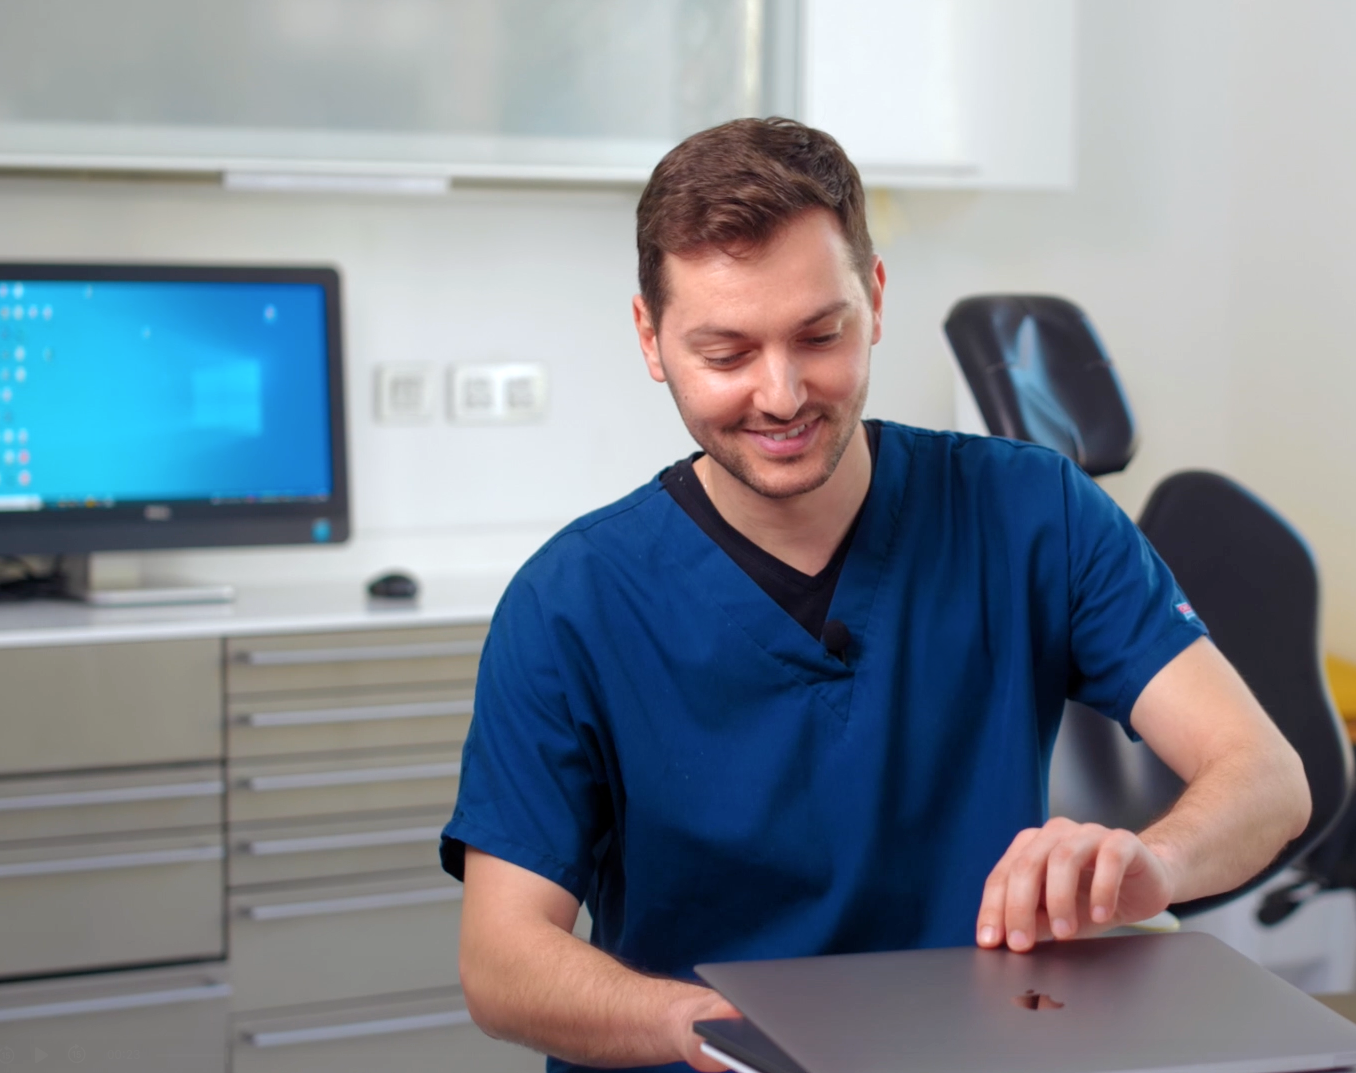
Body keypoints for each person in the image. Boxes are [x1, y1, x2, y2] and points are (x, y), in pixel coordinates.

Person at [441, 117, 1311, 1073]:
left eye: (820, 335)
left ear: (877, 298)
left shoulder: (1033, 514)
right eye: (725, 354)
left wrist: (1159, 865)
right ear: (650, 337)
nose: (781, 394)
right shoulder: (572, 603)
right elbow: (502, 963)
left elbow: (1265, 777)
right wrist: (720, 1030)